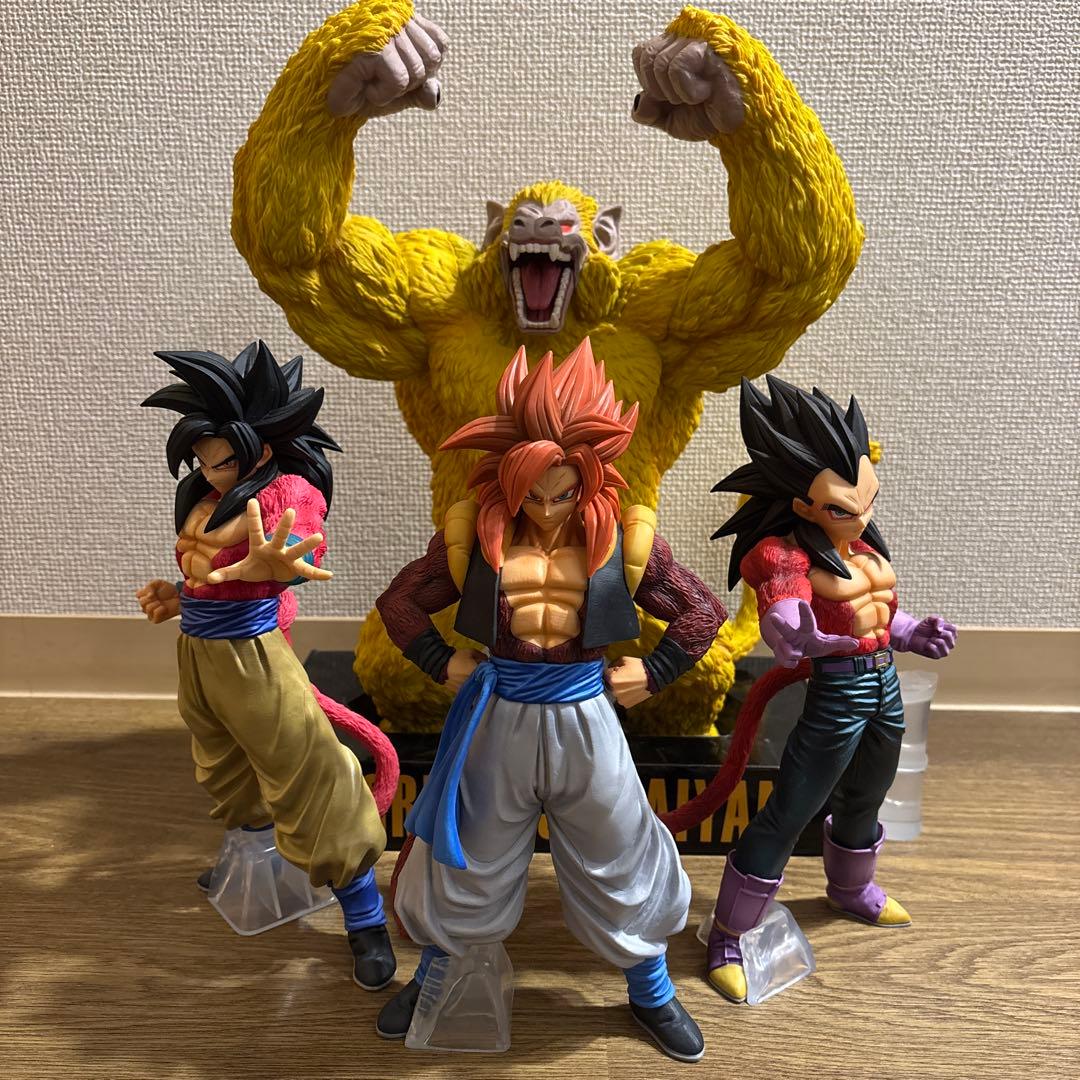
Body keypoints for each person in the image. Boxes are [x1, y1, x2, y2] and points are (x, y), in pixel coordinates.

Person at [375, 337, 727, 1062]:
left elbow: (702, 613)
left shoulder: (620, 541)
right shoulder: (476, 537)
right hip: (499, 712)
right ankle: (436, 970)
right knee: (469, 850)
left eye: (562, 493)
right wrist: (440, 661)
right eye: (530, 494)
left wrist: (656, 671)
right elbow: (401, 603)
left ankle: (650, 986)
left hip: (585, 714)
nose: (545, 509)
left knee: (620, 846)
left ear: (589, 479)